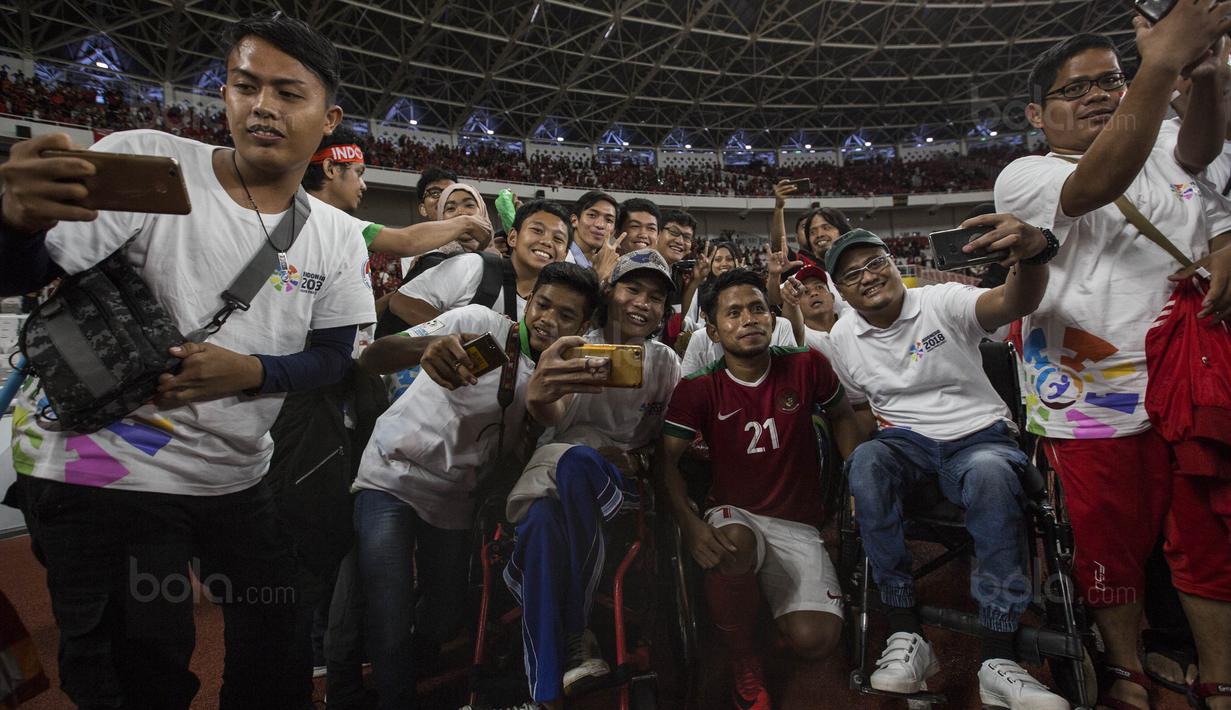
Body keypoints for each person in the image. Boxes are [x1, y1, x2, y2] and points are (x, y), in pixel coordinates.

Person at [0, 12, 376, 708]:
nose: (262, 106)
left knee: (278, 648)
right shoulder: (152, 163)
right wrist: (15, 220)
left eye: (288, 92)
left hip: (234, 474)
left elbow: (333, 357)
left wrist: (253, 371)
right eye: (245, 86)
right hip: (102, 461)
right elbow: (24, 273)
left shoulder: (336, 235)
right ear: (226, 94)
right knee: (141, 671)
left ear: (329, 120)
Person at [995, 12, 1231, 708]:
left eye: (1110, 81)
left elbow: (1202, 158)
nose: (1098, 95)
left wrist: (1205, 77)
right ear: (1036, 114)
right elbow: (1094, 186)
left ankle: (1219, 673)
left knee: (1206, 536)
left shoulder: (1161, 136)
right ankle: (1125, 665)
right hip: (1089, 395)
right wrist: (1158, 65)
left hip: (1187, 377)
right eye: (1076, 89)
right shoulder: (1025, 174)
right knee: (1110, 544)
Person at [824, 225, 1065, 709]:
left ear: (894, 263)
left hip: (978, 436)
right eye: (851, 275)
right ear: (842, 292)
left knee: (992, 474)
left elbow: (1012, 301)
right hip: (906, 443)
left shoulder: (941, 301)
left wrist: (1032, 257)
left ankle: (999, 657)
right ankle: (906, 632)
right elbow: (859, 409)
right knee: (865, 462)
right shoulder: (843, 336)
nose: (867, 277)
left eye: (875, 263)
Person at [351, 262, 603, 710]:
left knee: (445, 615)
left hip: (455, 500)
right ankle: (392, 693)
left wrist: (541, 402)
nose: (548, 320)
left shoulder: (564, 375)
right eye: (543, 305)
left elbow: (546, 427)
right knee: (389, 611)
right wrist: (429, 347)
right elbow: (373, 357)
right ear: (528, 301)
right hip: (392, 475)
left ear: (583, 327)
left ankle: (413, 674)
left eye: (566, 315)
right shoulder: (478, 323)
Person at [656, 268, 867, 710]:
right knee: (733, 543)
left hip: (799, 523)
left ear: (773, 318)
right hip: (736, 513)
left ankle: (753, 609)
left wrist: (856, 477)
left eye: (757, 308)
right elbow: (666, 461)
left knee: (816, 641)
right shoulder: (698, 388)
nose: (748, 319)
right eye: (733, 313)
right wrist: (690, 525)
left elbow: (843, 415)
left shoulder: (807, 364)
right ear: (713, 330)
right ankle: (743, 657)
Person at [504, 249, 681, 708]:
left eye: (655, 297)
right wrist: (540, 396)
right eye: (632, 289)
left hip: (621, 487)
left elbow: (667, 443)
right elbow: (552, 412)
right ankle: (548, 692)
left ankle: (572, 628)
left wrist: (637, 459)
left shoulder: (665, 363)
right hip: (559, 477)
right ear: (609, 292)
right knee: (542, 519)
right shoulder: (576, 344)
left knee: (577, 465)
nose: (642, 303)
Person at [387, 199, 571, 328]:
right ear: (513, 237)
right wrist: (453, 337)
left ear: (564, 254)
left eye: (558, 239)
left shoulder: (556, 301)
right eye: (537, 230)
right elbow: (402, 301)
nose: (547, 241)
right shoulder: (475, 266)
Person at [566, 190, 618, 269]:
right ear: (574, 220)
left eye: (608, 220)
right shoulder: (559, 256)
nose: (600, 225)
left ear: (613, 232)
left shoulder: (609, 266)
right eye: (592, 215)